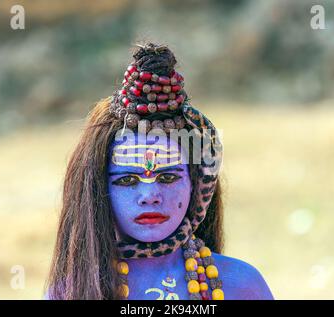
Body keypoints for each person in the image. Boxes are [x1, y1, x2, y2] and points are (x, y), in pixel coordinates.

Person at [45, 43, 273, 300]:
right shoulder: (72, 293)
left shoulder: (242, 286)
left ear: (198, 186)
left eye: (167, 177)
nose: (150, 195)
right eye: (128, 180)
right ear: (99, 190)